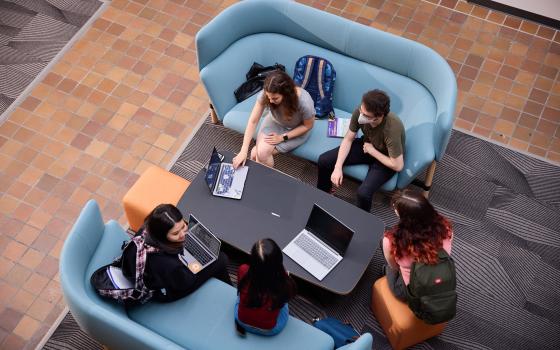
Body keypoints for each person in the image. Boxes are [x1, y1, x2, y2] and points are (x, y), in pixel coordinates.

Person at [317, 89, 405, 212]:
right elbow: (348, 139)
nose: (361, 116)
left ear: (378, 117)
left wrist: (373, 151)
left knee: (363, 193)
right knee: (324, 160)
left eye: (366, 115)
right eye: (361, 111)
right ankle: (323, 195)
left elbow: (398, 165)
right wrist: (337, 167)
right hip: (367, 146)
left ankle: (362, 222)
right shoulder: (361, 110)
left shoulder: (392, 129)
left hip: (386, 159)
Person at [122, 204, 232, 302]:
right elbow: (185, 283)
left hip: (159, 271)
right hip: (169, 290)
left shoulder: (148, 227)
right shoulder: (168, 264)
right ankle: (231, 293)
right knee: (221, 259)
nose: (183, 234)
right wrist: (197, 262)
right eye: (175, 233)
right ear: (162, 235)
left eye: (183, 226)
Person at [232, 71, 315, 169]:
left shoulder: (305, 102)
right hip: (275, 122)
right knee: (259, 154)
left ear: (287, 94)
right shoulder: (268, 94)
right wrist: (243, 151)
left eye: (275, 98)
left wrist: (282, 137)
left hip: (297, 130)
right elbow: (253, 121)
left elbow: (307, 126)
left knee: (257, 153)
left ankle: (265, 179)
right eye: (268, 97)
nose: (270, 101)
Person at [382, 190, 453, 301]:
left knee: (388, 267)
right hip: (439, 277)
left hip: (413, 289)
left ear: (407, 218)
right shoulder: (445, 226)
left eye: (396, 208)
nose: (394, 209)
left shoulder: (392, 240)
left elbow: (394, 267)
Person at [235, 238, 297, 336]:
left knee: (241, 295)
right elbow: (287, 298)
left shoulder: (243, 270)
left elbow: (240, 286)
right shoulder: (285, 284)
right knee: (284, 305)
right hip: (269, 329)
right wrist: (284, 274)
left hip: (241, 321)